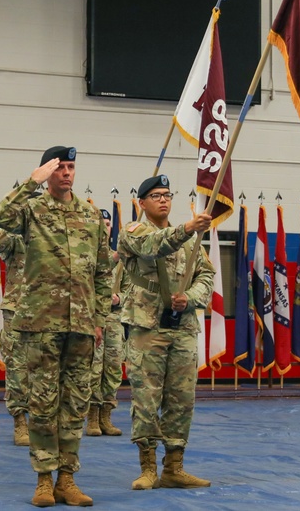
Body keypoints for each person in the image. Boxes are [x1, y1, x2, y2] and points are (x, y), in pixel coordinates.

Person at [0, 146, 111, 507]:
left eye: (71, 167)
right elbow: (1, 217)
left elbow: (103, 273)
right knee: (43, 405)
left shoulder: (91, 215)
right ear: (48, 171)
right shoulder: (31, 210)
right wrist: (32, 181)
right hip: (40, 324)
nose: (66, 173)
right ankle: (44, 480)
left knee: (75, 405)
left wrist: (100, 319)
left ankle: (68, 480)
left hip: (81, 328)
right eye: (60, 168)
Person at [118, 174, 214, 491]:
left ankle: (174, 466)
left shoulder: (192, 241)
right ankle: (147, 467)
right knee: (146, 399)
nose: (163, 199)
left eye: (167, 194)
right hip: (147, 326)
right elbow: (153, 247)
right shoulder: (133, 232)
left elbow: (206, 277)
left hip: (183, 326)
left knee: (181, 399)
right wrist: (188, 228)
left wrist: (192, 298)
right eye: (156, 195)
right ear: (141, 203)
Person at [0, 227, 30, 446]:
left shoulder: (56, 233)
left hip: (50, 312)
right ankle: (20, 422)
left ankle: (44, 423)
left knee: (49, 371)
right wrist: (15, 221)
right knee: (17, 369)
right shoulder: (16, 237)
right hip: (18, 311)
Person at [85, 209, 124, 438]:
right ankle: (91, 417)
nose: (106, 226)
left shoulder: (121, 260)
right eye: (102, 223)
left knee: (112, 368)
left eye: (109, 223)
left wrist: (121, 298)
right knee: (93, 368)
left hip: (115, 320)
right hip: (92, 319)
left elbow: (132, 288)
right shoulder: (87, 257)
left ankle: (106, 416)